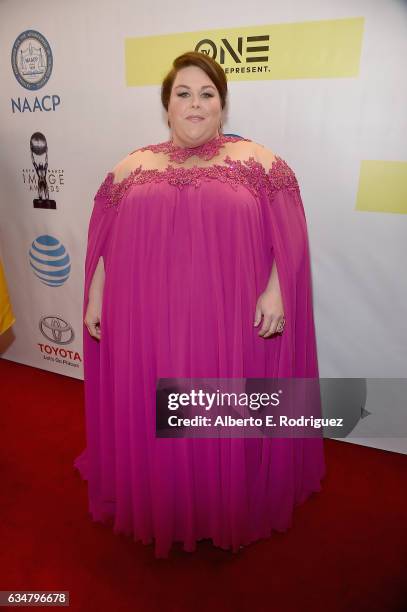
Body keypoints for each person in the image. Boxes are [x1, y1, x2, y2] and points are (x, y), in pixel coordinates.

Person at [74, 51, 325, 558]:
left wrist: (278, 288)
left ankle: (222, 505)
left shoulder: (259, 162)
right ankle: (165, 501)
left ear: (222, 105)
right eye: (183, 93)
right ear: (166, 105)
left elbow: (291, 238)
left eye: (206, 94)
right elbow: (103, 242)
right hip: (146, 319)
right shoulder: (131, 165)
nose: (195, 103)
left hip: (229, 321)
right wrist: (97, 294)